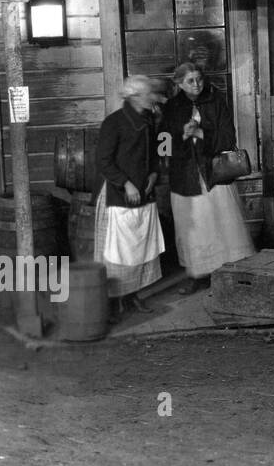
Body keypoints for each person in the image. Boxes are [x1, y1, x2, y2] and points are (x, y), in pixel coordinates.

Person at [160, 63, 256, 295]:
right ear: (179, 84)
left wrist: (201, 133)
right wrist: (181, 135)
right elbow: (163, 143)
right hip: (186, 176)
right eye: (190, 81)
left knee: (222, 223)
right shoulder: (172, 107)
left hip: (214, 173)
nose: (196, 85)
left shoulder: (216, 101)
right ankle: (199, 274)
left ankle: (230, 272)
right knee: (194, 228)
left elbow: (227, 137)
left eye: (199, 79)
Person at [94, 75, 167, 319]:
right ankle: (114, 301)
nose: (153, 98)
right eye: (149, 94)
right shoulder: (113, 123)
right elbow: (104, 161)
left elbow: (155, 153)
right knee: (117, 252)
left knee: (138, 249)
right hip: (120, 194)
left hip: (145, 194)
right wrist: (126, 184)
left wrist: (154, 174)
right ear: (135, 97)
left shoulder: (149, 120)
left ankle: (131, 294)